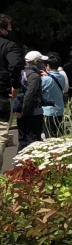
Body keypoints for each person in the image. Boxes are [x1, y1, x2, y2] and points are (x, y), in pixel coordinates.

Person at [0, 15, 24, 150]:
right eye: (9, 27)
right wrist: (15, 85)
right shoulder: (8, 46)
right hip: (2, 94)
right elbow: (14, 65)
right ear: (3, 29)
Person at [17, 51, 47, 150]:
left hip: (20, 110)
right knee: (33, 140)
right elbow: (30, 94)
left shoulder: (21, 73)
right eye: (41, 61)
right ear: (35, 61)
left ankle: (19, 163)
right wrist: (24, 111)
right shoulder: (35, 76)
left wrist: (20, 110)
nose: (43, 64)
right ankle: (31, 164)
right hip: (33, 112)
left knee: (22, 140)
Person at [41, 52, 68, 138]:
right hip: (59, 109)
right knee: (58, 134)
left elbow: (38, 90)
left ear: (48, 66)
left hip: (48, 110)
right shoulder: (62, 77)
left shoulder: (46, 79)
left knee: (49, 135)